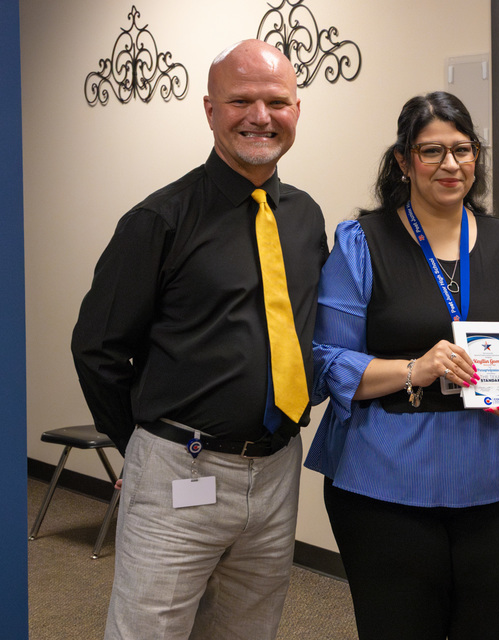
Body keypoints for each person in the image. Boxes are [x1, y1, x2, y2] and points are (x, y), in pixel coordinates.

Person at [70, 40, 327, 640]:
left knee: (247, 629)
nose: (259, 116)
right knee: (149, 629)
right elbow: (98, 348)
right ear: (210, 110)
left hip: (276, 467)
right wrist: (139, 444)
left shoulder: (306, 216)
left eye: (275, 101)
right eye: (240, 100)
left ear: (296, 108)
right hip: (179, 468)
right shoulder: (159, 219)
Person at [304, 91, 499, 640]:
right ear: (403, 161)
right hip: (387, 484)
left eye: (462, 150)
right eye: (431, 151)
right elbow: (327, 361)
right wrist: (415, 368)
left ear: (477, 156)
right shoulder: (362, 242)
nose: (450, 165)